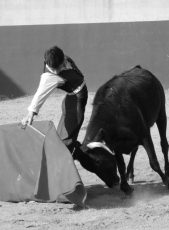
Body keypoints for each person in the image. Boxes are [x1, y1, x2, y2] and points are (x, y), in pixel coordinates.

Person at [21, 46, 88, 153]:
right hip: (75, 101)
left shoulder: (61, 55)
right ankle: (63, 160)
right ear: (46, 62)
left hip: (72, 99)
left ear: (63, 60)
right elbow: (40, 94)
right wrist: (30, 114)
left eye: (59, 66)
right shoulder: (48, 77)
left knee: (66, 134)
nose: (56, 71)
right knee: (66, 140)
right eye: (53, 69)